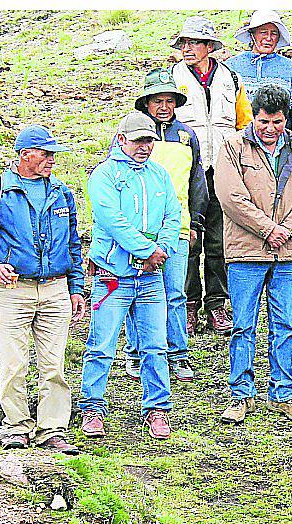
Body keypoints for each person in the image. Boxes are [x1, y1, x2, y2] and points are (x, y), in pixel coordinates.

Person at [0, 125, 86, 455]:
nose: (51, 160)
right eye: (45, 154)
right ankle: (16, 424)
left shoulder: (61, 192)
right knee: (13, 363)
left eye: (52, 155)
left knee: (54, 364)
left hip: (56, 288)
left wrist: (76, 288)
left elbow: (72, 244)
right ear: (24, 154)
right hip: (13, 289)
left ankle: (53, 427)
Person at [214, 83, 292, 425]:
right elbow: (230, 197)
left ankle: (283, 393)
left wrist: (285, 230)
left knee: (285, 324)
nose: (270, 129)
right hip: (246, 252)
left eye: (277, 122)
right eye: (263, 122)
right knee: (243, 324)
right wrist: (267, 229)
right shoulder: (232, 147)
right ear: (253, 118)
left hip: (288, 253)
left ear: (285, 119)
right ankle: (240, 394)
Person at [80, 112, 182, 440]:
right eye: (138, 141)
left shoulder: (160, 176)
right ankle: (92, 407)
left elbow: (172, 213)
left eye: (149, 140)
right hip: (112, 276)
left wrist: (162, 249)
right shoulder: (104, 176)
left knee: (155, 344)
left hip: (150, 277)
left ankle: (157, 409)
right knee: (101, 343)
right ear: (121, 140)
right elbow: (112, 221)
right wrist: (145, 250)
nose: (144, 147)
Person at [171, 15, 254, 335]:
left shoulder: (231, 78)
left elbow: (244, 124)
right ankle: (189, 305)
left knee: (219, 241)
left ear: (209, 47)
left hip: (223, 167)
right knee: (188, 238)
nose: (188, 49)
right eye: (184, 43)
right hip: (185, 169)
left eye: (194, 43)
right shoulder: (170, 77)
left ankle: (217, 305)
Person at [122, 68, 206, 383]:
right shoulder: (128, 134)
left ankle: (178, 355)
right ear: (146, 103)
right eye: (157, 100)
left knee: (175, 293)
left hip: (178, 228)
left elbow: (197, 183)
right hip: (138, 232)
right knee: (136, 292)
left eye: (169, 100)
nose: (163, 107)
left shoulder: (187, 136)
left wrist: (195, 221)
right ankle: (136, 353)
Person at [228, 10, 292, 135]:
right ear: (252, 35)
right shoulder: (231, 66)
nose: (269, 38)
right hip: (241, 139)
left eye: (274, 33)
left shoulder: (290, 68)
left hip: (278, 140)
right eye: (263, 32)